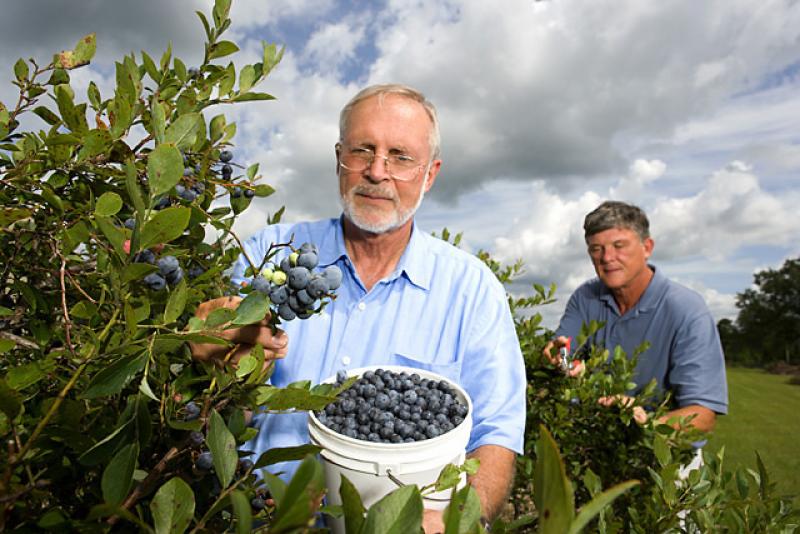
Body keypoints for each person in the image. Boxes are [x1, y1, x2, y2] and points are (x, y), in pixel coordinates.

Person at [191, 84, 525, 531]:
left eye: (400, 157)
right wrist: (209, 360)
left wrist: (457, 520)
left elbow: (496, 433)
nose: (377, 171)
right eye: (362, 150)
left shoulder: (471, 289)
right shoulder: (271, 256)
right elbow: (218, 415)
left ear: (429, 174)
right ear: (338, 159)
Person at [543, 200, 728, 432]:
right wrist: (562, 360)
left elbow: (703, 414)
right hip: (593, 443)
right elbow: (563, 352)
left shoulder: (687, 309)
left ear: (647, 247)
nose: (607, 257)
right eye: (596, 249)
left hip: (662, 449)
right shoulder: (585, 297)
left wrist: (646, 423)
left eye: (619, 245)